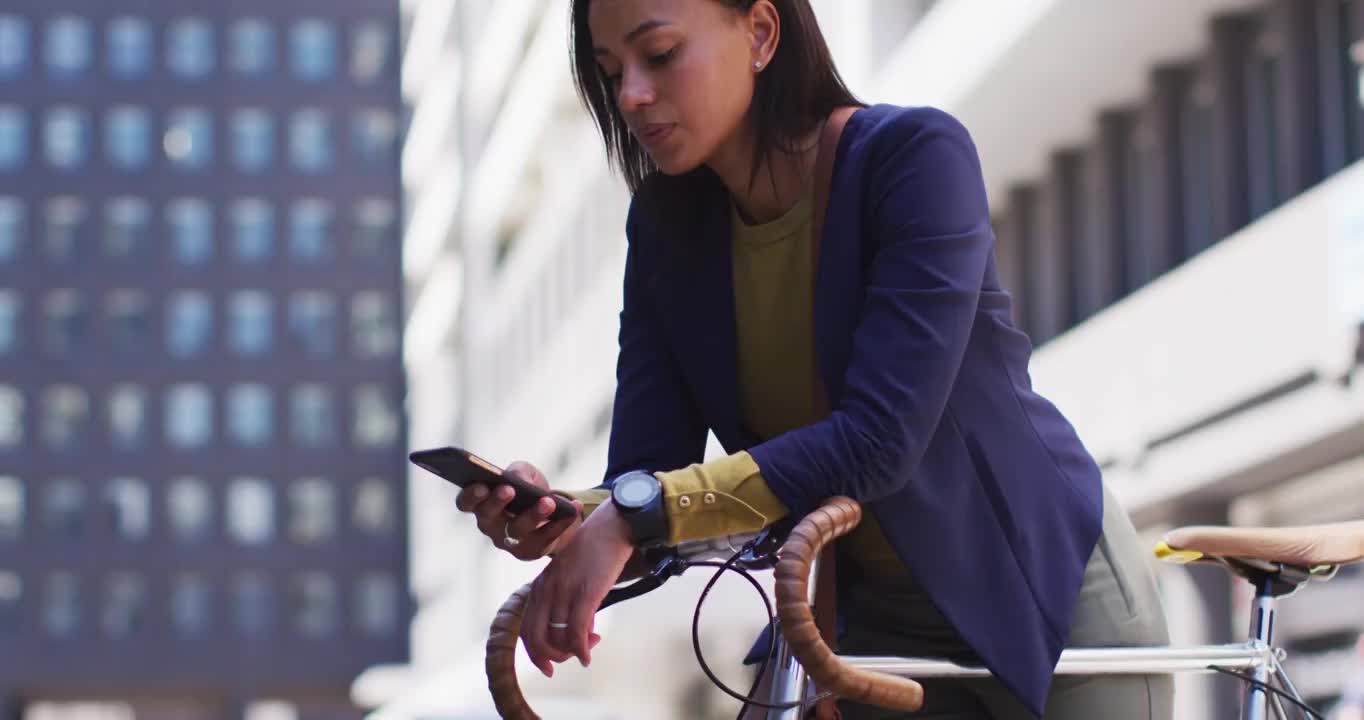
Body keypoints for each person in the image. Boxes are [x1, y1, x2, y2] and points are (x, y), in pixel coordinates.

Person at [453, 1, 1172, 717]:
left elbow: (879, 441)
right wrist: (568, 517)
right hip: (860, 624)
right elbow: (650, 482)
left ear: (761, 33)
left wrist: (638, 512)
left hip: (1043, 596)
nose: (632, 95)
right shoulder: (667, 230)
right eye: (610, 73)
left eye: (661, 55)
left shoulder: (913, 157)